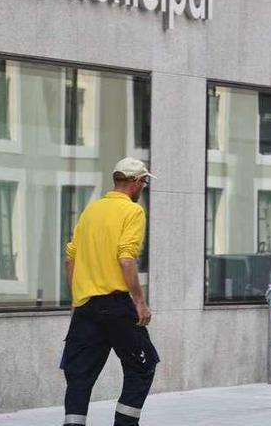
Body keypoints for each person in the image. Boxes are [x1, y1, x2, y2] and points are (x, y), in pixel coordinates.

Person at [61, 157, 159, 426]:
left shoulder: (91, 211)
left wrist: (77, 299)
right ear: (136, 182)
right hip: (116, 306)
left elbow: (71, 258)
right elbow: (126, 258)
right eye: (144, 182)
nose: (143, 188)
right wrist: (140, 302)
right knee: (143, 365)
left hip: (86, 307)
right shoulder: (133, 211)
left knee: (79, 374)